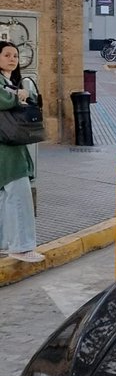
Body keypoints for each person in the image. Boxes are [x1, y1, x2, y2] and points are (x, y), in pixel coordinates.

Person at [0, 40, 44, 263]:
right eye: (7, 55)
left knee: (6, 198)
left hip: (11, 147)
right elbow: (6, 99)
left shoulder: (12, 81)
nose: (12, 59)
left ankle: (6, 243)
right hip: (6, 149)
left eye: (15, 56)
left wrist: (23, 94)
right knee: (19, 195)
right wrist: (19, 96)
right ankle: (22, 246)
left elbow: (33, 98)